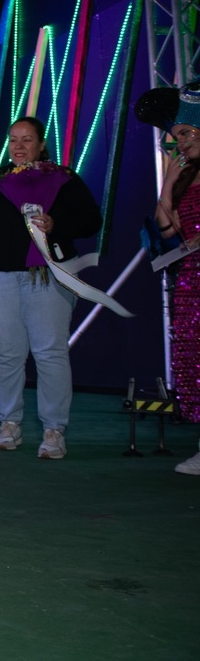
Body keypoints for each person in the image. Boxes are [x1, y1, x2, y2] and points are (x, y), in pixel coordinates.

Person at [0, 117, 103, 460]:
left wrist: (56, 224)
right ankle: (9, 423)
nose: (19, 146)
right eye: (13, 140)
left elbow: (91, 220)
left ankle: (54, 430)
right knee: (6, 352)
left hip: (49, 273)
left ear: (41, 144)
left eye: (27, 139)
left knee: (50, 351)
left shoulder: (63, 178)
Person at [134, 84, 200, 474]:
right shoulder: (187, 175)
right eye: (177, 137)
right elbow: (167, 232)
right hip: (192, 284)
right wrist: (169, 184)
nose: (182, 142)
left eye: (188, 133)